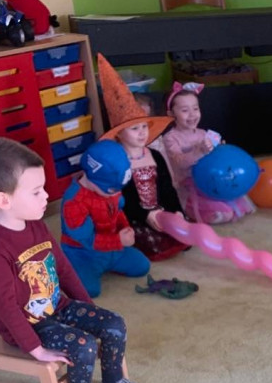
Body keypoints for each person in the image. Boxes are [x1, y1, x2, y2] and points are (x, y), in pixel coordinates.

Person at [0, 137, 155, 383]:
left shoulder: (35, 223)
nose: (47, 196)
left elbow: (64, 269)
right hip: (28, 326)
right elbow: (4, 307)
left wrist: (87, 308)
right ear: (3, 200)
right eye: (36, 191)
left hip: (58, 307)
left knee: (113, 323)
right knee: (83, 345)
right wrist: (36, 349)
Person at [97, 54, 187, 262]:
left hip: (160, 211)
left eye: (144, 127)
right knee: (146, 243)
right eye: (134, 128)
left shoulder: (155, 155)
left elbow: (167, 188)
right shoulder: (118, 162)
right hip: (133, 216)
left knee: (184, 232)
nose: (142, 133)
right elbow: (123, 200)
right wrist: (146, 215)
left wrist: (176, 211)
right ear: (119, 133)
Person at [60, 139, 151, 298]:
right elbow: (86, 240)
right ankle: (67, 268)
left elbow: (118, 210)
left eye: (118, 190)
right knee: (89, 291)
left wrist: (125, 227)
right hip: (82, 252)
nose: (115, 194)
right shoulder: (73, 202)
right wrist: (118, 241)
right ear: (91, 177)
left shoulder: (111, 187)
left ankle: (107, 262)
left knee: (142, 266)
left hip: (111, 247)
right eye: (110, 190)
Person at [161, 82, 255, 224]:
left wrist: (219, 150)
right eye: (185, 110)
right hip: (189, 185)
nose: (192, 114)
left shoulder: (203, 133)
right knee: (224, 213)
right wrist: (199, 151)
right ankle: (196, 210)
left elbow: (212, 158)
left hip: (211, 180)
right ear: (171, 114)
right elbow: (179, 162)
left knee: (238, 203)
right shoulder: (170, 138)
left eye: (196, 108)